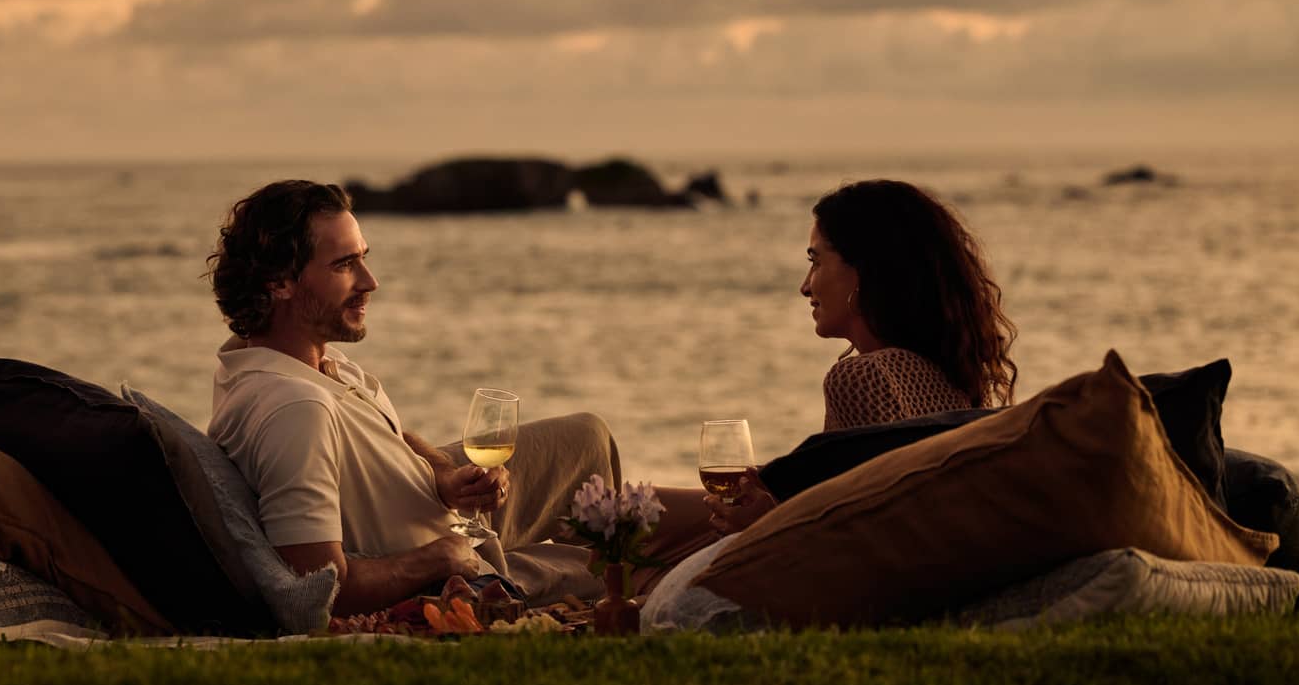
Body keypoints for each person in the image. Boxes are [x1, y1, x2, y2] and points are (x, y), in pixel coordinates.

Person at [204, 179, 711, 615]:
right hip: (457, 565)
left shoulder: (285, 359)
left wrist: (443, 475)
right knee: (630, 567)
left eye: (364, 259)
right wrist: (438, 558)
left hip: (443, 507)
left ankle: (741, 507)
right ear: (279, 283)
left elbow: (385, 433)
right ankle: (751, 516)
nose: (370, 282)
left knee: (587, 438)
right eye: (344, 266)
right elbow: (320, 587)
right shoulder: (296, 411)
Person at [701, 179, 1018, 536]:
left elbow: (875, 535)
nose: (805, 286)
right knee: (640, 512)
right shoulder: (946, 376)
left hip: (835, 577)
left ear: (864, 272)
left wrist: (766, 526)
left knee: (646, 533)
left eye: (816, 262)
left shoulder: (863, 377)